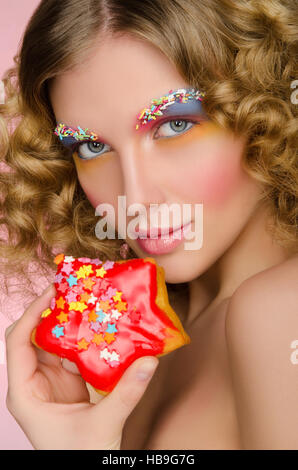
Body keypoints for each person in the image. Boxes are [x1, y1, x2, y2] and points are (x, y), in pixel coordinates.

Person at [1, 0, 297, 450]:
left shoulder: (280, 309)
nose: (134, 199)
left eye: (175, 124)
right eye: (91, 147)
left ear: (269, 106)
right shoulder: (152, 326)